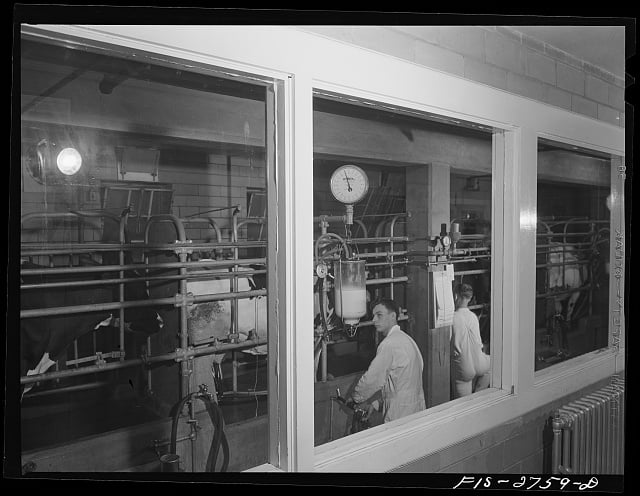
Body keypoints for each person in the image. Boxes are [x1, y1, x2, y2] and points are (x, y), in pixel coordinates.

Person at [349, 298, 426, 423]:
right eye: (373, 316)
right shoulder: (408, 340)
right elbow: (399, 383)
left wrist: (355, 398)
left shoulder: (388, 344)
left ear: (393, 316)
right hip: (417, 409)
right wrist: (375, 404)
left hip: (399, 415)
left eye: (379, 315)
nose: (374, 320)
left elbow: (372, 379)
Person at [451, 283, 491, 399]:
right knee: (493, 364)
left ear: (456, 296)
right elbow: (479, 343)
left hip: (463, 367)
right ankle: (478, 394)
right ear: (470, 298)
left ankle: (471, 399)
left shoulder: (452, 318)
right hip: (480, 362)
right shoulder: (473, 317)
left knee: (463, 405)